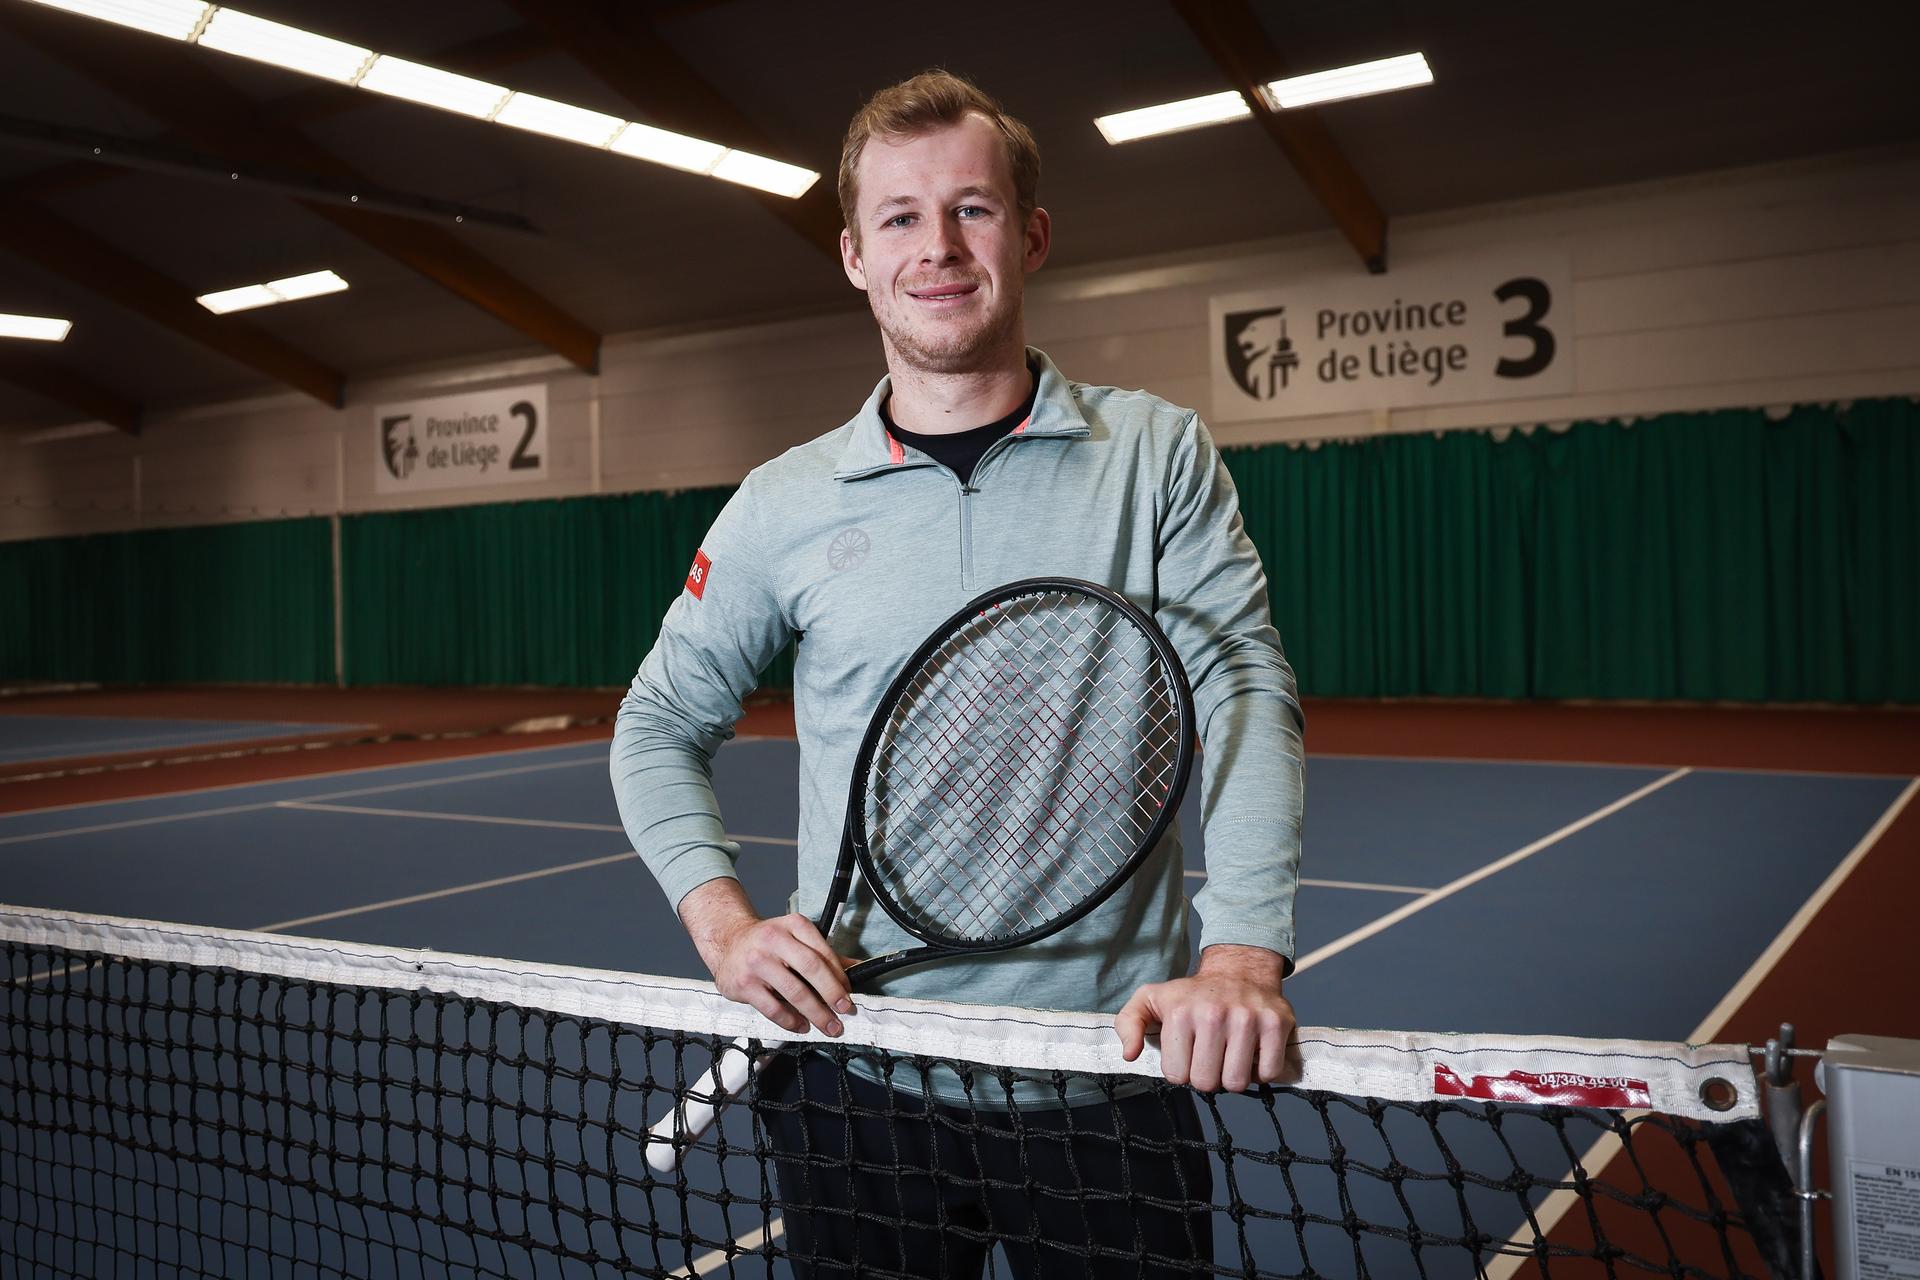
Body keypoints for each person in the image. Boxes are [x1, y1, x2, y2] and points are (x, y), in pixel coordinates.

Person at [612, 70, 1304, 1280]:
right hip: (856, 1086)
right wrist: (724, 928)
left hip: (1106, 1084)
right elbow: (658, 719)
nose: (937, 247)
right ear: (853, 255)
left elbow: (1243, 687)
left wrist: (1241, 956)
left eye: (972, 209)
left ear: (1029, 235)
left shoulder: (1156, 453)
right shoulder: (783, 500)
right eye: (899, 218)